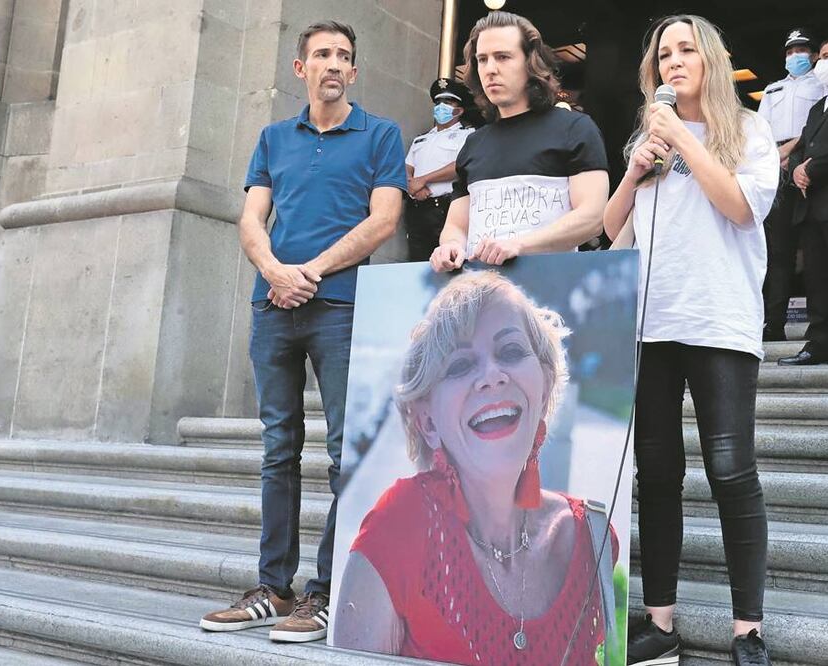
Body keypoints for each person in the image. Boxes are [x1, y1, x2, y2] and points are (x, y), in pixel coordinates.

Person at [199, 21, 406, 643]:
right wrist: (272, 271)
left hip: (340, 307)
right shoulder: (272, 138)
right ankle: (273, 586)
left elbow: (385, 221)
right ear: (301, 69)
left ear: (355, 71)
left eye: (344, 56)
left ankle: (325, 590)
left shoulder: (381, 134)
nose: (333, 65)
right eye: (322, 55)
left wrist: (310, 271)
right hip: (273, 308)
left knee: (344, 454)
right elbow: (252, 218)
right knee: (277, 449)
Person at [602, 14, 778, 666]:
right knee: (659, 474)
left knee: (732, 470)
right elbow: (608, 226)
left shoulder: (750, 131)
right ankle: (661, 619)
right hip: (653, 324)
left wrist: (684, 139)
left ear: (709, 60)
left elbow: (738, 206)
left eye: (685, 50)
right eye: (662, 54)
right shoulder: (648, 140)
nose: (673, 62)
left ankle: (747, 630)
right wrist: (636, 172)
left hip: (720, 322)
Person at [332, 271, 618, 666]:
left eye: (512, 351)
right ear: (428, 422)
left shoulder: (594, 536)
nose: (492, 376)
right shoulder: (396, 529)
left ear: (546, 386)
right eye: (461, 364)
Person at [429, 11, 609, 273]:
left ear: (531, 63)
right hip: (478, 293)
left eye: (503, 57)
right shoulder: (474, 143)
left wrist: (519, 245)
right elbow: (456, 226)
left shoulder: (575, 128)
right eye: (482, 59)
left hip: (551, 293)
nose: (490, 69)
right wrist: (449, 247)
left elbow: (592, 217)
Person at [778, 35, 828, 370]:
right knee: (818, 280)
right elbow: (803, 143)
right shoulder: (818, 106)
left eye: (826, 56)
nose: (819, 63)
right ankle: (820, 342)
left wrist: (812, 167)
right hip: (811, 206)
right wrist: (797, 166)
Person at [756, 28, 826, 341]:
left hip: (809, 163)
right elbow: (759, 133)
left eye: (800, 50)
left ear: (812, 55)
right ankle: (773, 323)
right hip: (776, 166)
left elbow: (821, 124)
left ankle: (823, 325)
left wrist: (793, 152)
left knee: (816, 249)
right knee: (778, 253)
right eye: (789, 51)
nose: (794, 56)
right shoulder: (772, 90)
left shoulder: (823, 84)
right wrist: (775, 157)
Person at [405, 78, 477, 262]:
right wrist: (413, 185)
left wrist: (424, 180)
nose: (441, 106)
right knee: (417, 262)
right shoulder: (421, 139)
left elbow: (460, 165)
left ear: (459, 110)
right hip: (418, 209)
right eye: (438, 102)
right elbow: (407, 167)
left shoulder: (468, 135)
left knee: (448, 260)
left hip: (447, 209)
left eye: (448, 102)